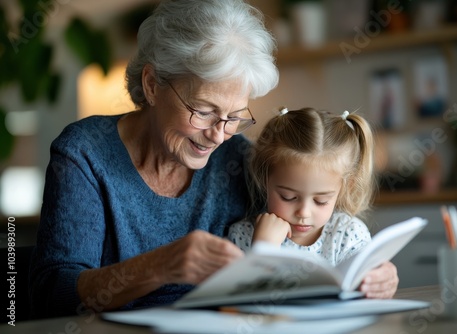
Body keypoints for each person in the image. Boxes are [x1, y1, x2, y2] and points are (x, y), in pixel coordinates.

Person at [29, 0, 279, 318]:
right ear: (152, 85)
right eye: (203, 112)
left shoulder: (239, 157)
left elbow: (308, 233)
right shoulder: (85, 154)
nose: (218, 135)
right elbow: (53, 295)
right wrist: (161, 266)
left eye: (234, 117)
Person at [228, 107, 399, 299]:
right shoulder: (242, 236)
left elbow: (366, 296)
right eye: (288, 197)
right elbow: (239, 303)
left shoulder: (348, 235)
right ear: (264, 178)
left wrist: (378, 285)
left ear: (344, 188)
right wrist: (263, 249)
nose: (304, 212)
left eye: (321, 201)